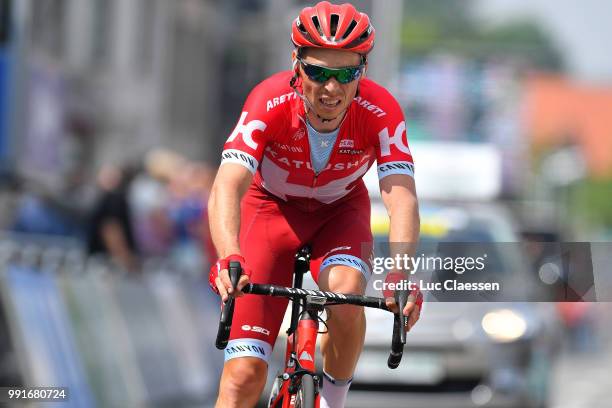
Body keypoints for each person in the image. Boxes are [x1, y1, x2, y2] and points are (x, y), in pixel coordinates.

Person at [208, 2, 421, 407]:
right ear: (296, 63)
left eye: (346, 75)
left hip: (339, 215)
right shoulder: (267, 102)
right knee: (241, 379)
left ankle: (334, 399)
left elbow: (402, 200)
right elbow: (227, 186)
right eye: (318, 72)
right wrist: (228, 255)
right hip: (269, 211)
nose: (332, 88)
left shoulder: (382, 111)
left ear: (363, 72)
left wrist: (401, 273)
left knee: (346, 295)